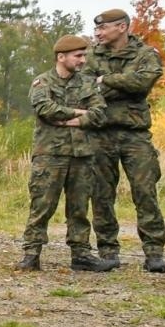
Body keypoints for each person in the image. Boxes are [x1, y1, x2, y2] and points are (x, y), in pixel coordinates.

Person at [16, 36, 112, 272]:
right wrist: (80, 112)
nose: (83, 60)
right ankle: (31, 253)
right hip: (50, 154)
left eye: (84, 55)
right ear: (61, 57)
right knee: (42, 205)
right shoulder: (42, 82)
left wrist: (71, 122)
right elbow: (45, 110)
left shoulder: (88, 83)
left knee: (79, 208)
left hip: (82, 154)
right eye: (78, 56)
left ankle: (81, 255)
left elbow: (100, 114)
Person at [84, 7, 165, 272]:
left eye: (103, 28)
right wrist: (122, 85)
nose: (97, 32)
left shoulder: (145, 54)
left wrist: (105, 80)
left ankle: (154, 252)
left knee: (145, 192)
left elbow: (143, 84)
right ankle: (108, 251)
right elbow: (85, 89)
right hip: (100, 132)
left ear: (121, 27)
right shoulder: (89, 55)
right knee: (101, 194)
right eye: (96, 28)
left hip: (135, 134)